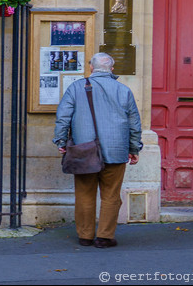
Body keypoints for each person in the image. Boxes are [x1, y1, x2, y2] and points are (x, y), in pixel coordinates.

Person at [53, 52, 142, 249]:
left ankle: (85, 236)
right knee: (111, 195)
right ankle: (104, 237)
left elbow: (63, 117)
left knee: (84, 193)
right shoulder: (123, 90)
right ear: (112, 68)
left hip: (84, 151)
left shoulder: (76, 88)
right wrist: (134, 148)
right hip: (116, 150)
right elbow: (134, 123)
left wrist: (60, 141)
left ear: (91, 68)